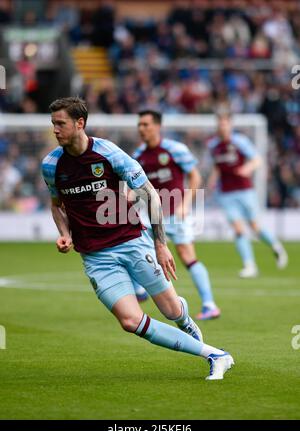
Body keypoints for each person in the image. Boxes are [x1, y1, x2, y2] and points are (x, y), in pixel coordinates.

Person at [41, 97, 234, 380]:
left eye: (61, 123)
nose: (55, 130)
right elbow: (57, 205)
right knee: (130, 321)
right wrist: (64, 234)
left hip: (132, 241)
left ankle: (184, 318)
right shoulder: (51, 165)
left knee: (170, 310)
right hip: (96, 257)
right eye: (53, 124)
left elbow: (150, 194)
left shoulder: (109, 153)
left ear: (79, 123)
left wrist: (160, 245)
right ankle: (215, 355)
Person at [131, 109, 221, 321]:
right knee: (133, 248)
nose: (141, 129)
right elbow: (133, 186)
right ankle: (139, 290)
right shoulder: (138, 155)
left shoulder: (175, 149)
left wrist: (186, 204)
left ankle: (209, 304)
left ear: (157, 126)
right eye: (139, 125)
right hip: (150, 216)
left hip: (175, 214)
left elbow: (195, 177)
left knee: (187, 256)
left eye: (146, 124)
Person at [207, 110, 288, 278]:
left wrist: (247, 168)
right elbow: (217, 166)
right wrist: (212, 181)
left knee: (255, 227)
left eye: (225, 123)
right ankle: (249, 265)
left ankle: (276, 245)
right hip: (226, 193)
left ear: (230, 124)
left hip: (244, 190)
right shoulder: (214, 145)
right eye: (220, 123)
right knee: (238, 229)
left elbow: (257, 159)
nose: (222, 127)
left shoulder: (240, 141)